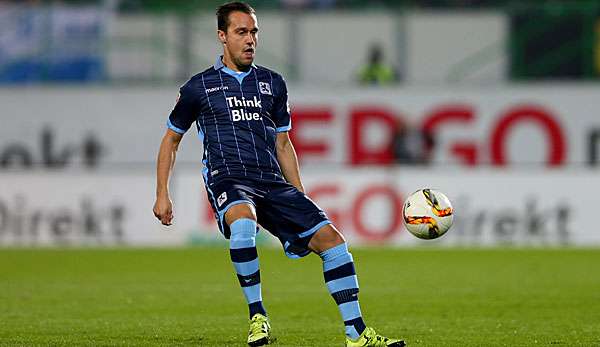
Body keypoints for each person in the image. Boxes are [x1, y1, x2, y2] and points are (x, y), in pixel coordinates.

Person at [152, 2, 405, 346]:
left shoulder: (273, 83)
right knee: (243, 224)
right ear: (222, 36)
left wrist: (299, 194)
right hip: (229, 177)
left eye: (254, 31)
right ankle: (258, 317)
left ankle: (356, 334)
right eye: (241, 32)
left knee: (334, 244)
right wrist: (162, 193)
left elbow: (283, 144)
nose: (250, 39)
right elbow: (171, 139)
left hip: (270, 181)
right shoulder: (199, 87)